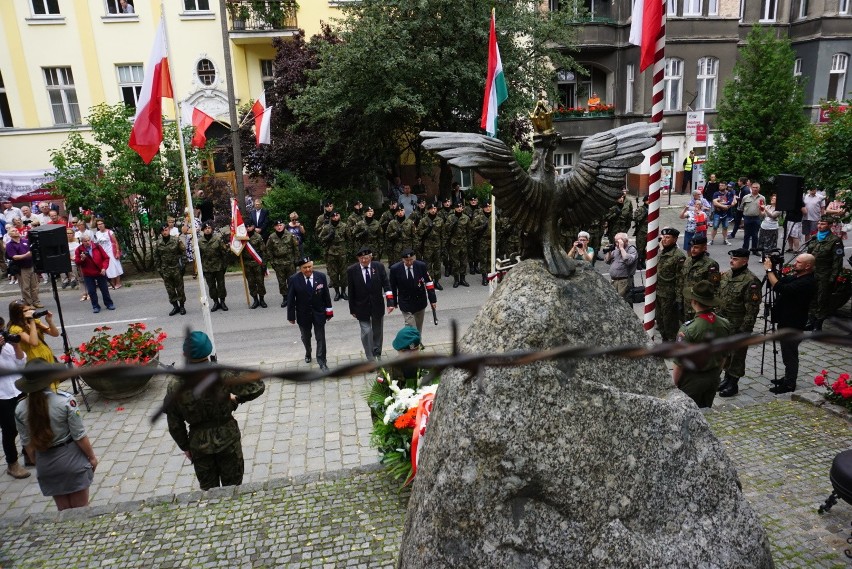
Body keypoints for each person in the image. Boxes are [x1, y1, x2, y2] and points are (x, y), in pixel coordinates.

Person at [164, 331, 265, 491]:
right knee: (233, 489)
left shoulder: (175, 384)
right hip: (228, 438)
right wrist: (237, 400)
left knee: (209, 492)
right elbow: (257, 386)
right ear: (209, 350)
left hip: (199, 443)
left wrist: (185, 446)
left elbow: (174, 422)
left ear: (184, 354)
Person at [15, 358, 98, 510]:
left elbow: (27, 445)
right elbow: (79, 436)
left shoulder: (20, 408)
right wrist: (92, 457)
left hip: (46, 464)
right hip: (71, 460)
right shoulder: (65, 401)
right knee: (81, 511)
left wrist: (40, 462)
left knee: (63, 512)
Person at [672, 281, 733, 408]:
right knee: (706, 412)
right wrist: (716, 372)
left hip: (692, 381)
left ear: (694, 301)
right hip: (713, 378)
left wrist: (674, 385)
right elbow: (724, 355)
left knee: (688, 416)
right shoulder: (724, 324)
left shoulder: (688, 329)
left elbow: (679, 363)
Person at [764, 253, 816, 394]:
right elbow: (783, 281)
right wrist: (773, 269)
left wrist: (769, 271)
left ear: (807, 266)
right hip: (786, 320)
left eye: (799, 262)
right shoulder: (798, 277)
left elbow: (781, 287)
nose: (795, 264)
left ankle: (789, 384)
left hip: (793, 323)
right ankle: (788, 377)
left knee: (790, 355)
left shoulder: (807, 282)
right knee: (787, 352)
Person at [716, 249, 762, 397]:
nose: (731, 261)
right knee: (726, 353)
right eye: (731, 258)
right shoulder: (727, 275)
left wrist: (745, 329)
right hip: (724, 323)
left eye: (735, 259)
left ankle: (733, 383)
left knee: (737, 355)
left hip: (739, 325)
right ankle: (726, 378)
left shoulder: (751, 281)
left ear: (745, 261)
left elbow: (752, 309)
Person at [347, 247, 395, 361]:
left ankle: (377, 352)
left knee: (378, 331)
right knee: (367, 331)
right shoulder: (352, 270)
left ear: (371, 257)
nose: (364, 260)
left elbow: (386, 285)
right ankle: (370, 358)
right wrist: (352, 309)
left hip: (377, 305)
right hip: (361, 307)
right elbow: (351, 291)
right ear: (358, 258)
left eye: (366, 258)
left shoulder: (378, 267)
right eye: (361, 258)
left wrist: (390, 302)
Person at [287, 257, 333, 371]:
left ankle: (322, 361)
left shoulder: (321, 277)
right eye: (304, 268)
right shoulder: (293, 279)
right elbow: (291, 299)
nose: (308, 269)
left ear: (312, 266)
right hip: (303, 314)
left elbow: (326, 295)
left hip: (319, 313)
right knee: (306, 337)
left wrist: (329, 311)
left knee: (320, 337)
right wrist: (291, 316)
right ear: (300, 269)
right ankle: (308, 352)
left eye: (309, 267)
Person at [805, 215, 844, 330]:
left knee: (822, 299)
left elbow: (837, 262)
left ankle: (818, 325)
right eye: (819, 223)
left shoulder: (835, 241)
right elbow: (808, 256)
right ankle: (810, 321)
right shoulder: (814, 237)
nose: (819, 226)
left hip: (825, 274)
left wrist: (833, 278)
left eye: (823, 224)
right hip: (812, 273)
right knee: (811, 297)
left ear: (830, 226)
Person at [0, 317, 28, 479]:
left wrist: (16, 345)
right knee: (10, 429)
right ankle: (12, 463)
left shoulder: (7, 347)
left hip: (17, 389)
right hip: (2, 395)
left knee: (25, 423)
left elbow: (21, 363)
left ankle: (29, 454)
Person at [389, 248, 437, 333]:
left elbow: (429, 283)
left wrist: (432, 300)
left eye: (411, 260)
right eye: (407, 260)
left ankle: (417, 343)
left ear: (414, 258)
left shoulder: (421, 266)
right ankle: (412, 345)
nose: (409, 262)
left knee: (418, 327)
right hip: (405, 302)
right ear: (402, 260)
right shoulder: (395, 269)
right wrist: (393, 302)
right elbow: (393, 287)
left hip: (420, 301)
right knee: (411, 326)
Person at [677, 236, 720, 322]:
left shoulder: (711, 265)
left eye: (696, 247)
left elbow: (715, 288)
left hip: (700, 307)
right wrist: (679, 300)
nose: (693, 250)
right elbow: (681, 281)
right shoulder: (687, 261)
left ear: (704, 248)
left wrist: (713, 308)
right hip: (686, 304)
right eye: (692, 247)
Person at [8, 300, 58, 366]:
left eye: (29, 309)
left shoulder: (34, 321)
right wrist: (32, 321)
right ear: (17, 313)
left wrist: (49, 321)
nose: (29, 312)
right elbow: (34, 343)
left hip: (46, 354)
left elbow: (55, 334)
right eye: (25, 311)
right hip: (34, 359)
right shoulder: (15, 329)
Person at [74, 235, 115, 314]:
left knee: (104, 289)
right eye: (85, 241)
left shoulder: (97, 246)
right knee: (92, 291)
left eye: (88, 240)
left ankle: (109, 304)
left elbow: (106, 258)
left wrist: (104, 268)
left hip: (100, 271)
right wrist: (82, 259)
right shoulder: (79, 250)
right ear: (82, 242)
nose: (87, 242)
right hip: (88, 274)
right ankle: (95, 306)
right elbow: (77, 262)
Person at [153, 223, 187, 316]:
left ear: (169, 230)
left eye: (166, 230)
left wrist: (183, 265)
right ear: (161, 232)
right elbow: (156, 257)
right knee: (170, 290)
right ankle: (175, 306)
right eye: (163, 230)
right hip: (165, 269)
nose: (165, 232)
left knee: (180, 288)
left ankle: (182, 306)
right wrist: (159, 269)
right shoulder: (158, 243)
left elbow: (183, 251)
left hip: (176, 268)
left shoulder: (176, 240)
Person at [266, 220, 300, 308]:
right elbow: (268, 250)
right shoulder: (272, 237)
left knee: (291, 281)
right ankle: (285, 298)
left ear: (283, 226)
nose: (279, 227)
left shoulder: (290, 235)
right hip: (278, 263)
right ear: (274, 227)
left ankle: (292, 298)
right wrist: (272, 262)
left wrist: (296, 260)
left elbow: (296, 248)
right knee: (282, 282)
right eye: (277, 225)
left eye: (280, 225)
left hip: (290, 262)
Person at [5, 227, 41, 308]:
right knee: (25, 287)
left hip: (31, 266)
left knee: (34, 286)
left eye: (16, 230)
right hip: (21, 268)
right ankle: (29, 303)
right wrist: (26, 255)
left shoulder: (25, 241)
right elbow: (14, 257)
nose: (16, 231)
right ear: (10, 235)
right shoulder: (9, 245)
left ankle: (36, 301)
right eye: (13, 231)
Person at [198, 223, 230, 312]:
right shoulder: (200, 242)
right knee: (211, 286)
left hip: (218, 266)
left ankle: (222, 302)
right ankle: (215, 302)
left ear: (211, 229)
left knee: (221, 285)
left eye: (209, 228)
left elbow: (224, 252)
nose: (207, 230)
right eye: (205, 228)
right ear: (203, 230)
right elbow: (199, 256)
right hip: (207, 268)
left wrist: (224, 266)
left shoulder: (217, 239)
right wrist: (200, 269)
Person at [319, 211, 349, 301]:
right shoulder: (327, 227)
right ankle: (337, 292)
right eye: (333, 216)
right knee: (333, 274)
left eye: (337, 215)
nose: (335, 217)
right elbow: (320, 240)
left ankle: (343, 292)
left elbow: (349, 238)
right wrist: (328, 237)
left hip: (342, 252)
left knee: (343, 273)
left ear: (339, 216)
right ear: (331, 217)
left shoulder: (344, 226)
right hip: (331, 253)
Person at [415, 202, 444, 290]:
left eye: (435, 208)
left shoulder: (440, 220)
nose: (433, 210)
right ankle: (429, 281)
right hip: (427, 246)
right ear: (428, 210)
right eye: (431, 209)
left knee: (437, 264)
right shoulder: (424, 220)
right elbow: (419, 233)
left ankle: (436, 281)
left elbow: (443, 234)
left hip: (437, 245)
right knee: (428, 264)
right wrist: (428, 229)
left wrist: (443, 246)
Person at [239, 221, 267, 309]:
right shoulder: (242, 237)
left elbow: (263, 251)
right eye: (246, 226)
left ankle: (262, 299)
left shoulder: (258, 237)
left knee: (260, 282)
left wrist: (264, 263)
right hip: (247, 263)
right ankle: (255, 300)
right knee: (251, 282)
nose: (248, 228)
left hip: (257, 263)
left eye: (249, 226)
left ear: (253, 226)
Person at [604, 232, 638, 302]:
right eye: (616, 241)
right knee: (614, 302)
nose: (617, 244)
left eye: (619, 241)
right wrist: (609, 251)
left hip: (624, 281)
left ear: (626, 241)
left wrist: (622, 248)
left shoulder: (631, 249)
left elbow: (628, 261)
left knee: (624, 302)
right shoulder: (616, 249)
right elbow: (607, 261)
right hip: (614, 281)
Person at [445, 202, 471, 287]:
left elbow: (469, 231)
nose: (459, 208)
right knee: (455, 262)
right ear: (454, 208)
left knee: (463, 262)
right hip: (454, 243)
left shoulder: (466, 218)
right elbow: (447, 229)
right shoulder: (450, 217)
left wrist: (468, 241)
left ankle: (462, 279)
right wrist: (453, 223)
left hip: (463, 243)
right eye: (457, 207)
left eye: (461, 207)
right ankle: (456, 280)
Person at [93, 219, 123, 289]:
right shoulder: (97, 233)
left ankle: (118, 283)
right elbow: (97, 243)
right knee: (108, 268)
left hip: (111, 252)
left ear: (104, 224)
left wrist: (117, 251)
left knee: (115, 267)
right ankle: (112, 282)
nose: (100, 225)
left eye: (101, 223)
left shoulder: (109, 232)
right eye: (98, 224)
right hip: (103, 253)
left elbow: (115, 242)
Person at [739, 182, 765, 251]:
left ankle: (754, 249)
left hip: (756, 218)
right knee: (746, 234)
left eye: (757, 188)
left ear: (759, 189)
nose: (755, 189)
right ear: (751, 188)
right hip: (747, 218)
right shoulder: (746, 197)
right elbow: (741, 207)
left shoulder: (762, 198)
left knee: (755, 235)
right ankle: (745, 249)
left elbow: (764, 208)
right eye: (753, 187)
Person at [633, 195, 649, 268]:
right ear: (644, 201)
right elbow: (636, 219)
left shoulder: (652, 208)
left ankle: (643, 261)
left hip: (649, 230)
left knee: (646, 248)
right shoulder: (640, 209)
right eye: (647, 200)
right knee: (640, 248)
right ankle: (638, 262)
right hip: (641, 231)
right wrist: (644, 213)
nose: (649, 202)